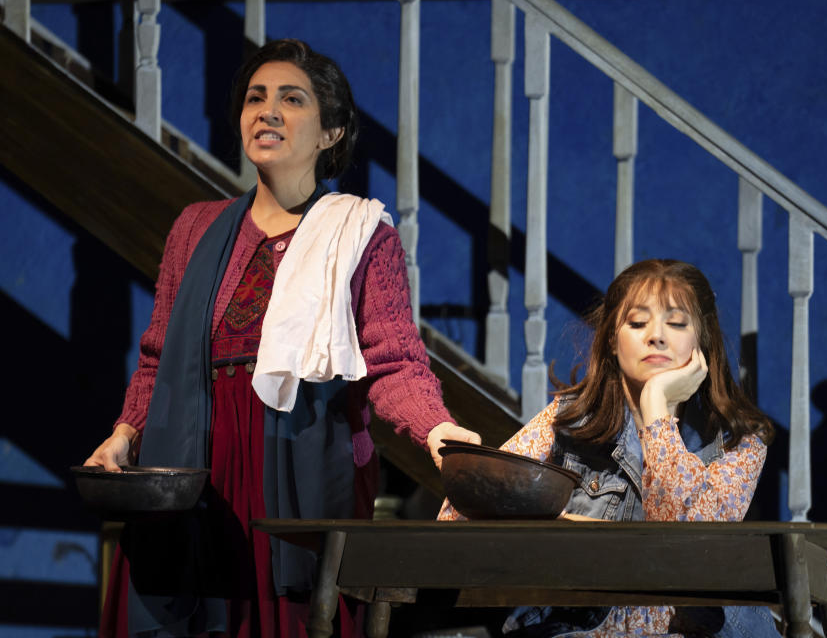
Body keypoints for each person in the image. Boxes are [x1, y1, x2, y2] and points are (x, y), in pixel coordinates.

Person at [84, 38, 479, 637]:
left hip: (299, 466)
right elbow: (157, 358)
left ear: (331, 133)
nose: (266, 111)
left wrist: (436, 427)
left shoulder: (362, 235)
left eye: (291, 100)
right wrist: (123, 435)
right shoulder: (195, 227)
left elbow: (393, 361)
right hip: (196, 465)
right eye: (255, 98)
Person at [438, 259, 781, 637]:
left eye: (677, 323)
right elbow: (458, 517)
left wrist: (656, 412)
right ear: (613, 343)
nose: (657, 336)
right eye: (637, 323)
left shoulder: (739, 442)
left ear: (702, 340)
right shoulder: (568, 423)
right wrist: (560, 526)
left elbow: (692, 549)